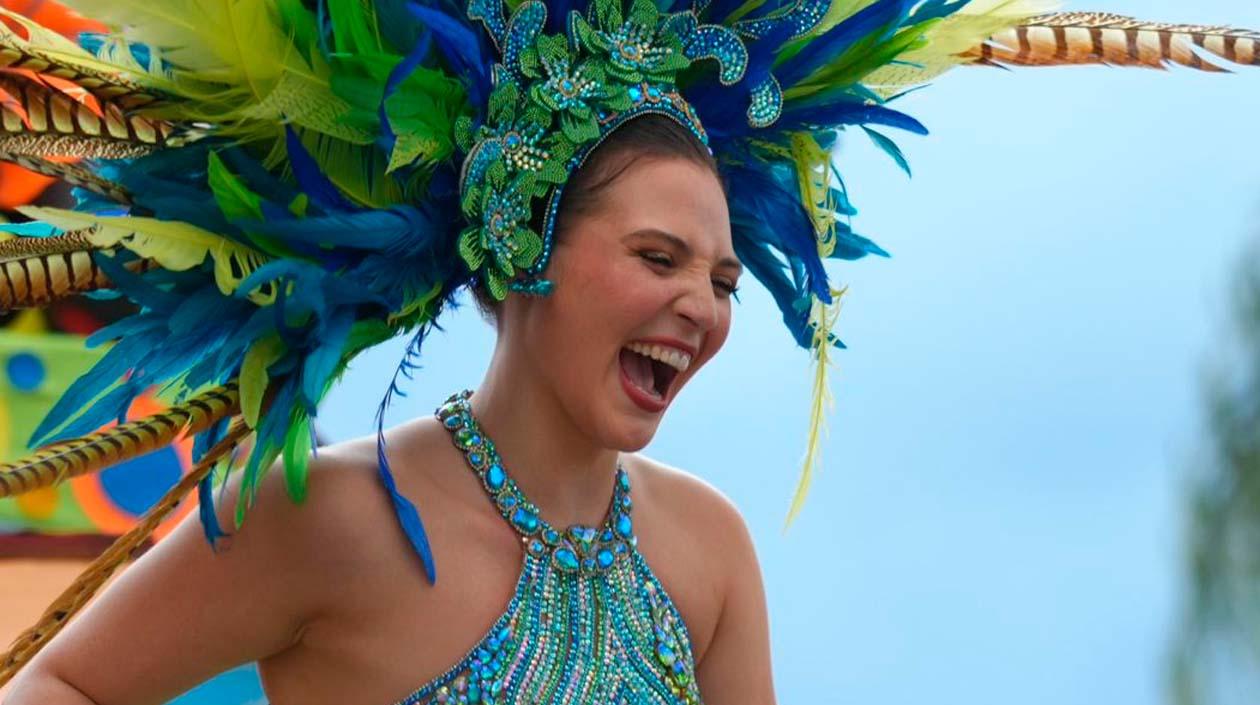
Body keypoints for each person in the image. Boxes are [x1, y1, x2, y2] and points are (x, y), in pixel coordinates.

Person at [0, 1, 1255, 703]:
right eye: (658, 260)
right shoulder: (324, 514)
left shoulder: (707, 549)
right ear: (524, 241)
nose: (702, 309)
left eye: (719, 279)